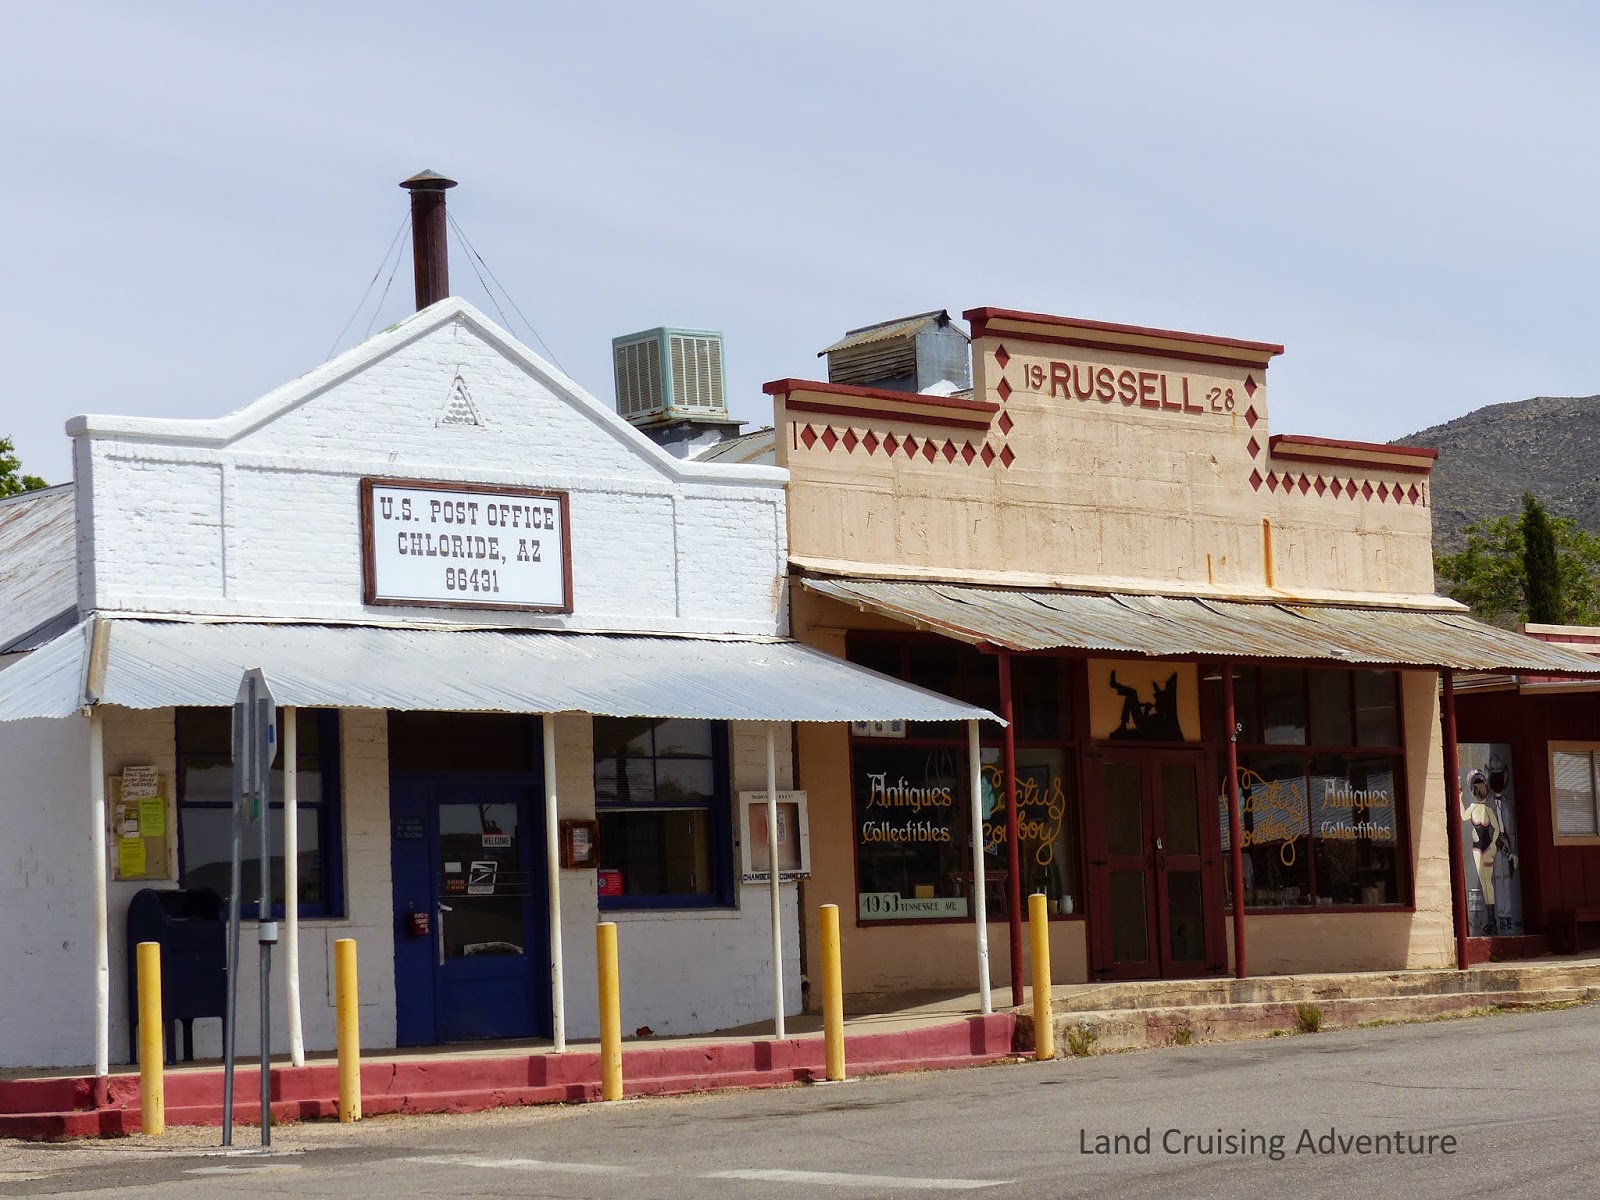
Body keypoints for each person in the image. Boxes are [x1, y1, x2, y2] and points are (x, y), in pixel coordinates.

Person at [1461, 769, 1515, 935]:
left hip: (1485, 848)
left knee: (1488, 882)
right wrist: (1458, 797)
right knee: (1484, 882)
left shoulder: (1487, 810)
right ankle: (1490, 919)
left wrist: (1492, 844)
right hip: (1478, 848)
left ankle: (1492, 919)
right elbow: (1463, 817)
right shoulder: (1475, 808)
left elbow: (1497, 829)